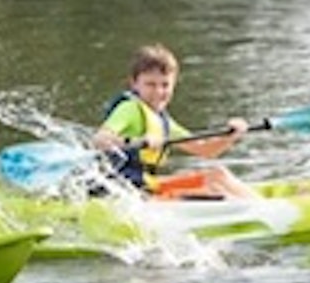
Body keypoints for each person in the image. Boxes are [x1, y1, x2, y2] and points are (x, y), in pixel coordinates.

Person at [91, 44, 256, 199]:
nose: (158, 91)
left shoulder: (162, 120)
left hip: (149, 186)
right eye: (150, 84)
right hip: (126, 193)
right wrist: (137, 141)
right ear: (134, 84)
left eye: (165, 85)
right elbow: (100, 139)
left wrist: (232, 136)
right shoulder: (129, 109)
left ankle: (264, 207)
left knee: (218, 175)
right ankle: (256, 210)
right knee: (214, 192)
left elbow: (206, 150)